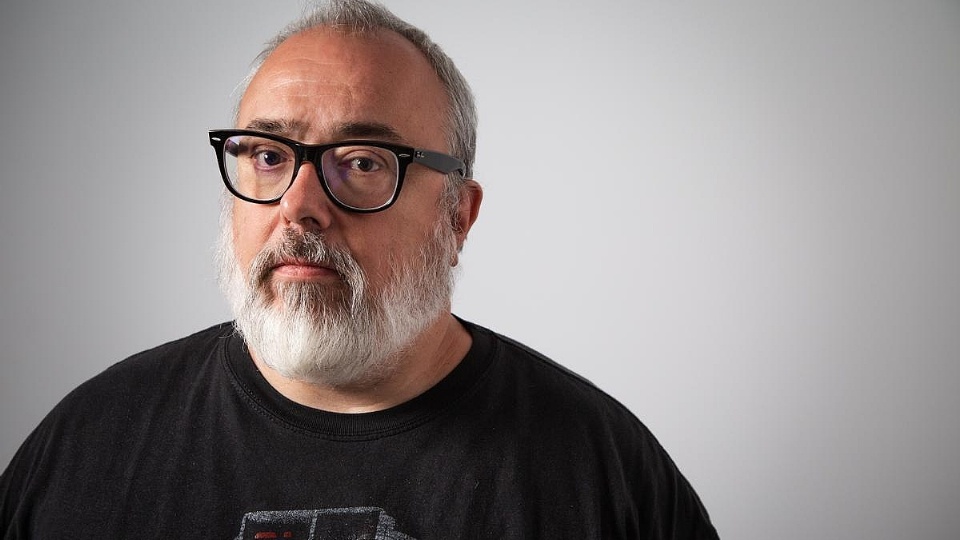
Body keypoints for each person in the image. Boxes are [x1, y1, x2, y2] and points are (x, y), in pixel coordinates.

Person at [0, 1, 719, 538]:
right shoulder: (88, 445)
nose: (299, 206)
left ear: (458, 216)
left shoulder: (602, 474)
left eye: (364, 162)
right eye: (268, 156)